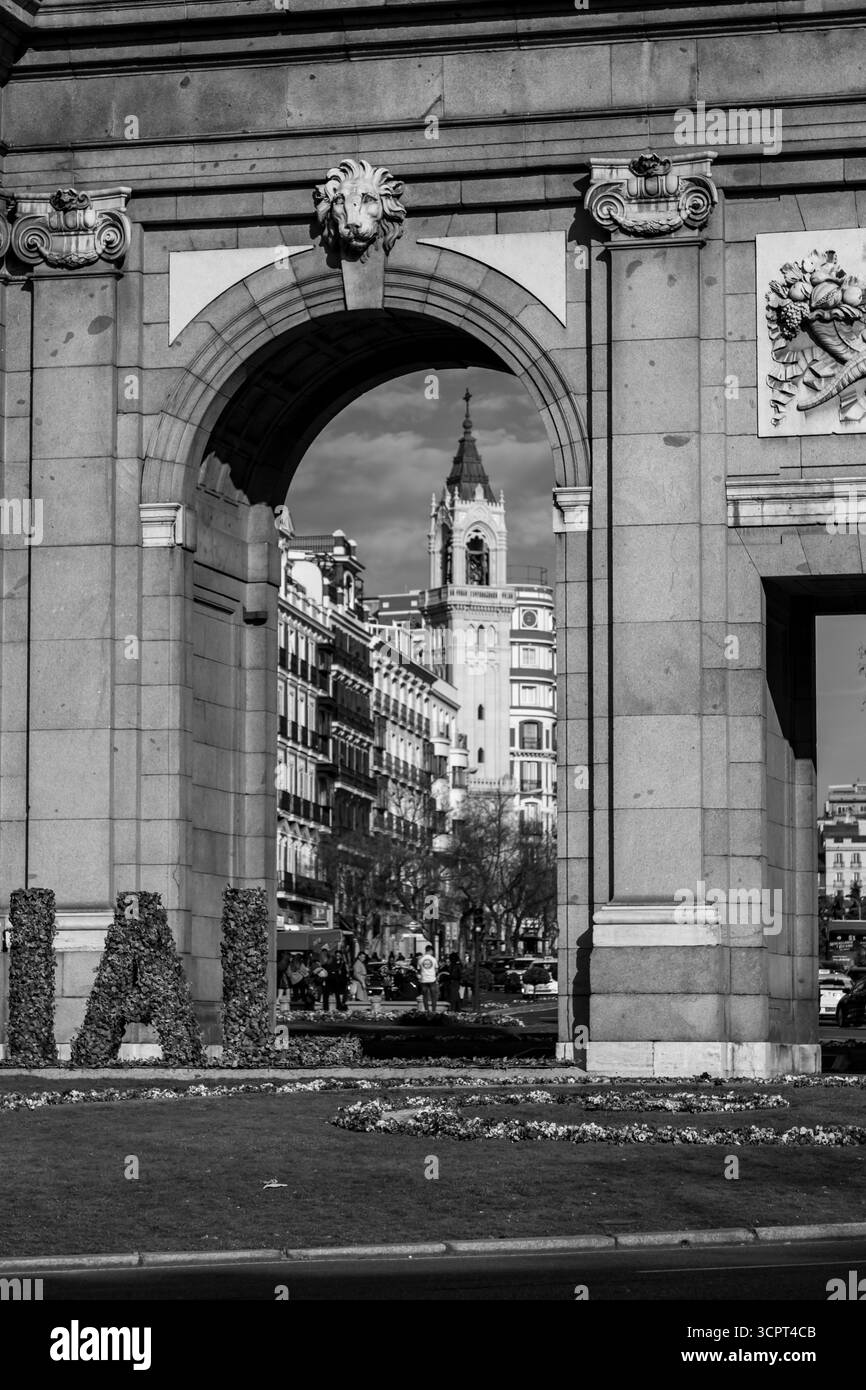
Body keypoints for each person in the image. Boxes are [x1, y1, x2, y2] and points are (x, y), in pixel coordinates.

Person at [418, 943, 439, 1015]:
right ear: (430, 951)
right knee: (433, 996)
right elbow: (436, 969)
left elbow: (419, 969)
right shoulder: (433, 959)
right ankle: (433, 1011)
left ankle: (426, 1011)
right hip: (432, 980)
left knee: (425, 996)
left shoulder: (420, 959)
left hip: (423, 980)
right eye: (432, 951)